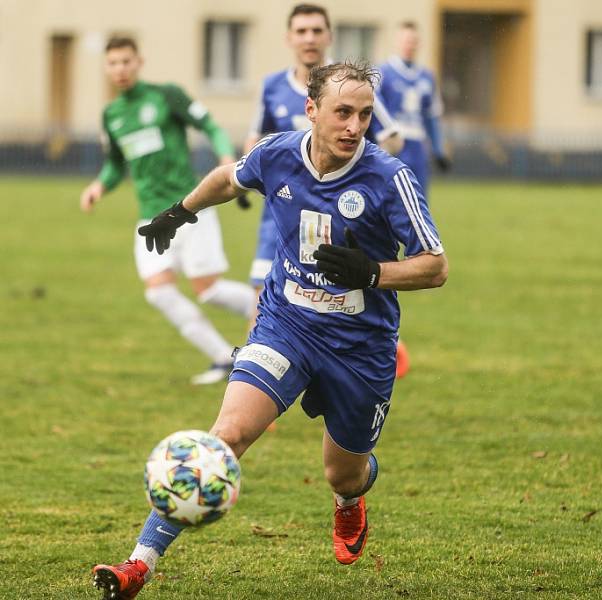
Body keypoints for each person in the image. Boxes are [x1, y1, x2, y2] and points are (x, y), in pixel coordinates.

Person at [90, 61, 448, 599]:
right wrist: (178, 213)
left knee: (341, 474)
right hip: (287, 326)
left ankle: (350, 504)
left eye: (365, 115)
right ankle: (138, 564)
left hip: (360, 347)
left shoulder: (389, 178)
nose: (354, 127)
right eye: (342, 113)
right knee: (227, 436)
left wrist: (372, 273)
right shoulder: (279, 153)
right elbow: (227, 178)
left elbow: (435, 265)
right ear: (312, 111)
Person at [242, 3, 411, 377]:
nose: (309, 38)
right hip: (282, 217)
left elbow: (392, 136)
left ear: (329, 36)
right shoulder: (272, 86)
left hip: (340, 217)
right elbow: (254, 141)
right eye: (301, 31)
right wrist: (248, 176)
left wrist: (362, 172)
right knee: (263, 293)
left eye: (317, 30)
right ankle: (255, 380)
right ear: (289, 38)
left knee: (344, 292)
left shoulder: (348, 87)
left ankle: (358, 360)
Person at [79, 37, 256, 386]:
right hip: (149, 216)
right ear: (106, 67)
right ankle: (223, 357)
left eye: (126, 61)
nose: (120, 69)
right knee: (159, 292)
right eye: (113, 63)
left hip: (189, 208)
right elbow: (116, 163)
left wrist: (225, 155)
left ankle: (271, 310)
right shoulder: (112, 114)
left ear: (139, 61)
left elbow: (211, 126)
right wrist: (99, 185)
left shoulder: (166, 95)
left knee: (208, 289)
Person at [378, 20, 450, 196]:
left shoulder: (427, 77)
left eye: (413, 41)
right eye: (405, 40)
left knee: (418, 197)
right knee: (390, 195)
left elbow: (431, 116)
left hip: (417, 145)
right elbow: (374, 111)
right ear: (397, 41)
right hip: (393, 143)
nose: (409, 45)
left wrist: (438, 149)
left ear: (419, 44)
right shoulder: (383, 73)